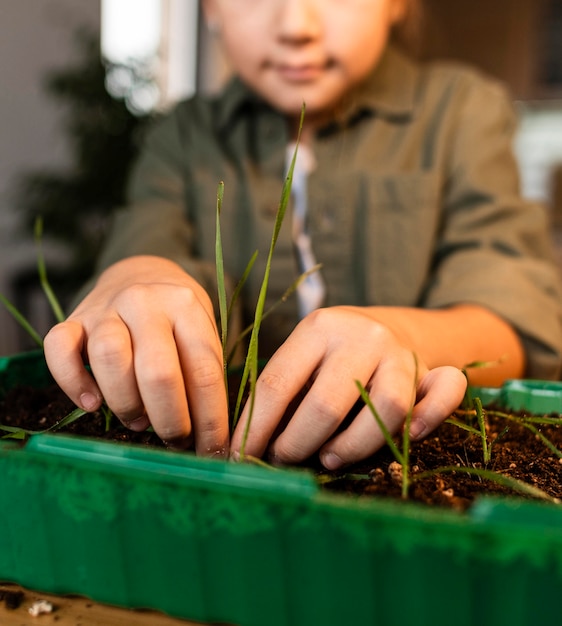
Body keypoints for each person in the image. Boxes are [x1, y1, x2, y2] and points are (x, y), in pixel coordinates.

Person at [44, 0, 562, 470]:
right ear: (209, 7)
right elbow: (148, 247)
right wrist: (136, 278)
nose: (296, 26)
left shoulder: (461, 112)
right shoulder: (183, 135)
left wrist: (410, 340)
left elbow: (515, 319)